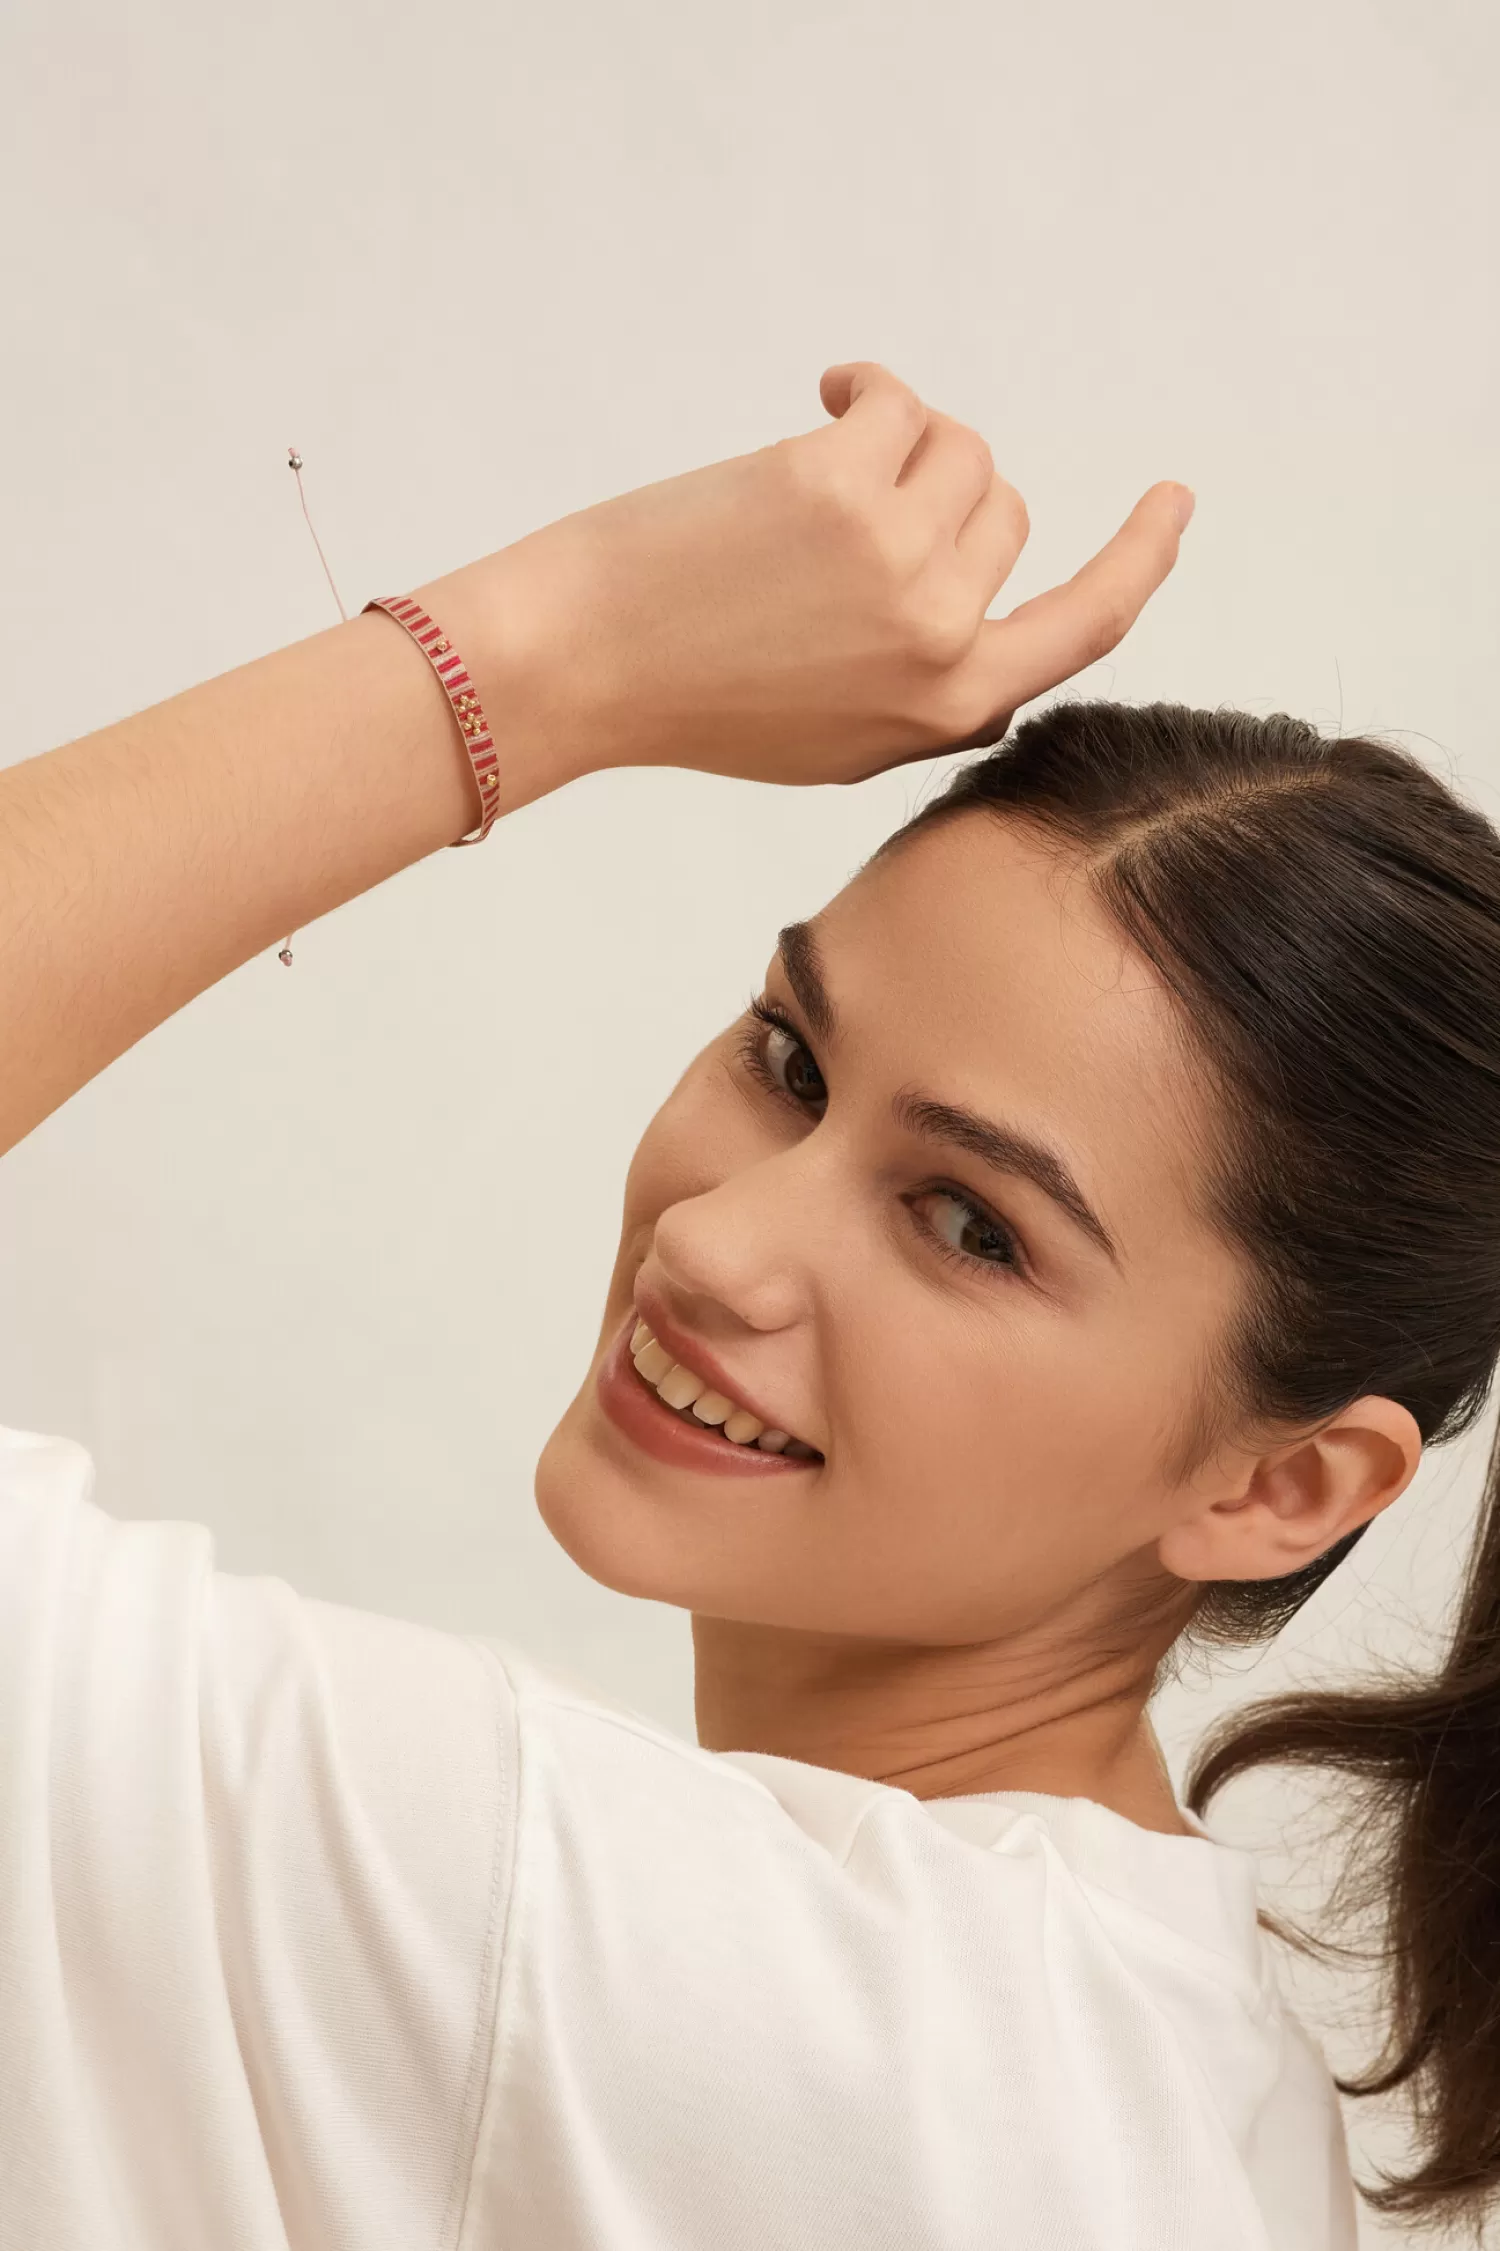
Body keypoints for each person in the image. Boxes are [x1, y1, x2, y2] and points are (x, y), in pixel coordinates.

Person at [0, 360, 1491, 2250]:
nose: (713, 1243)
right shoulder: (1144, 2055)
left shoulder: (746, 2005)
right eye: (788, 1059)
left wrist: (563, 649)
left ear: (1282, 1485)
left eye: (968, 1224)